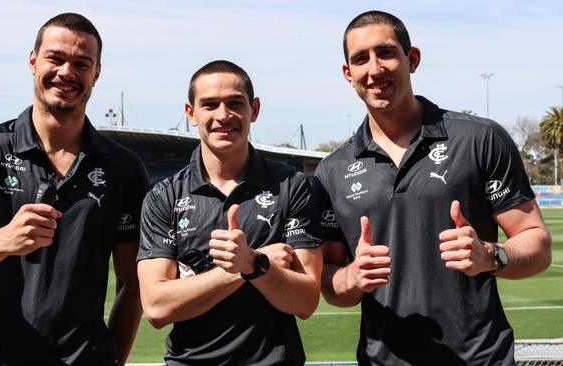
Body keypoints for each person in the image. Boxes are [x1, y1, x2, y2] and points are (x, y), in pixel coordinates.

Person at [313, 10, 552, 365]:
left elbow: (538, 243)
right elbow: (332, 286)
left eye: (386, 52)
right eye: (361, 59)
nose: (375, 69)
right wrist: (353, 275)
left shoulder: (479, 139)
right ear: (348, 74)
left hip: (480, 359)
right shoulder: (331, 171)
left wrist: (490, 256)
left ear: (412, 59)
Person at [0, 13, 148, 365]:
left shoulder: (123, 167)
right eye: (55, 58)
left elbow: (132, 283)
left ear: (97, 73)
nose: (67, 72)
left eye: (82, 63)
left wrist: (113, 360)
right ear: (33, 61)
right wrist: (5, 239)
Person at [136, 60, 323, 365]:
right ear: (190, 113)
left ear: (255, 109)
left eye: (235, 103)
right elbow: (156, 308)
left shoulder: (293, 186)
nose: (223, 116)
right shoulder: (164, 195)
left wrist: (250, 262)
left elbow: (305, 301)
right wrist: (248, 267)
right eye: (209, 105)